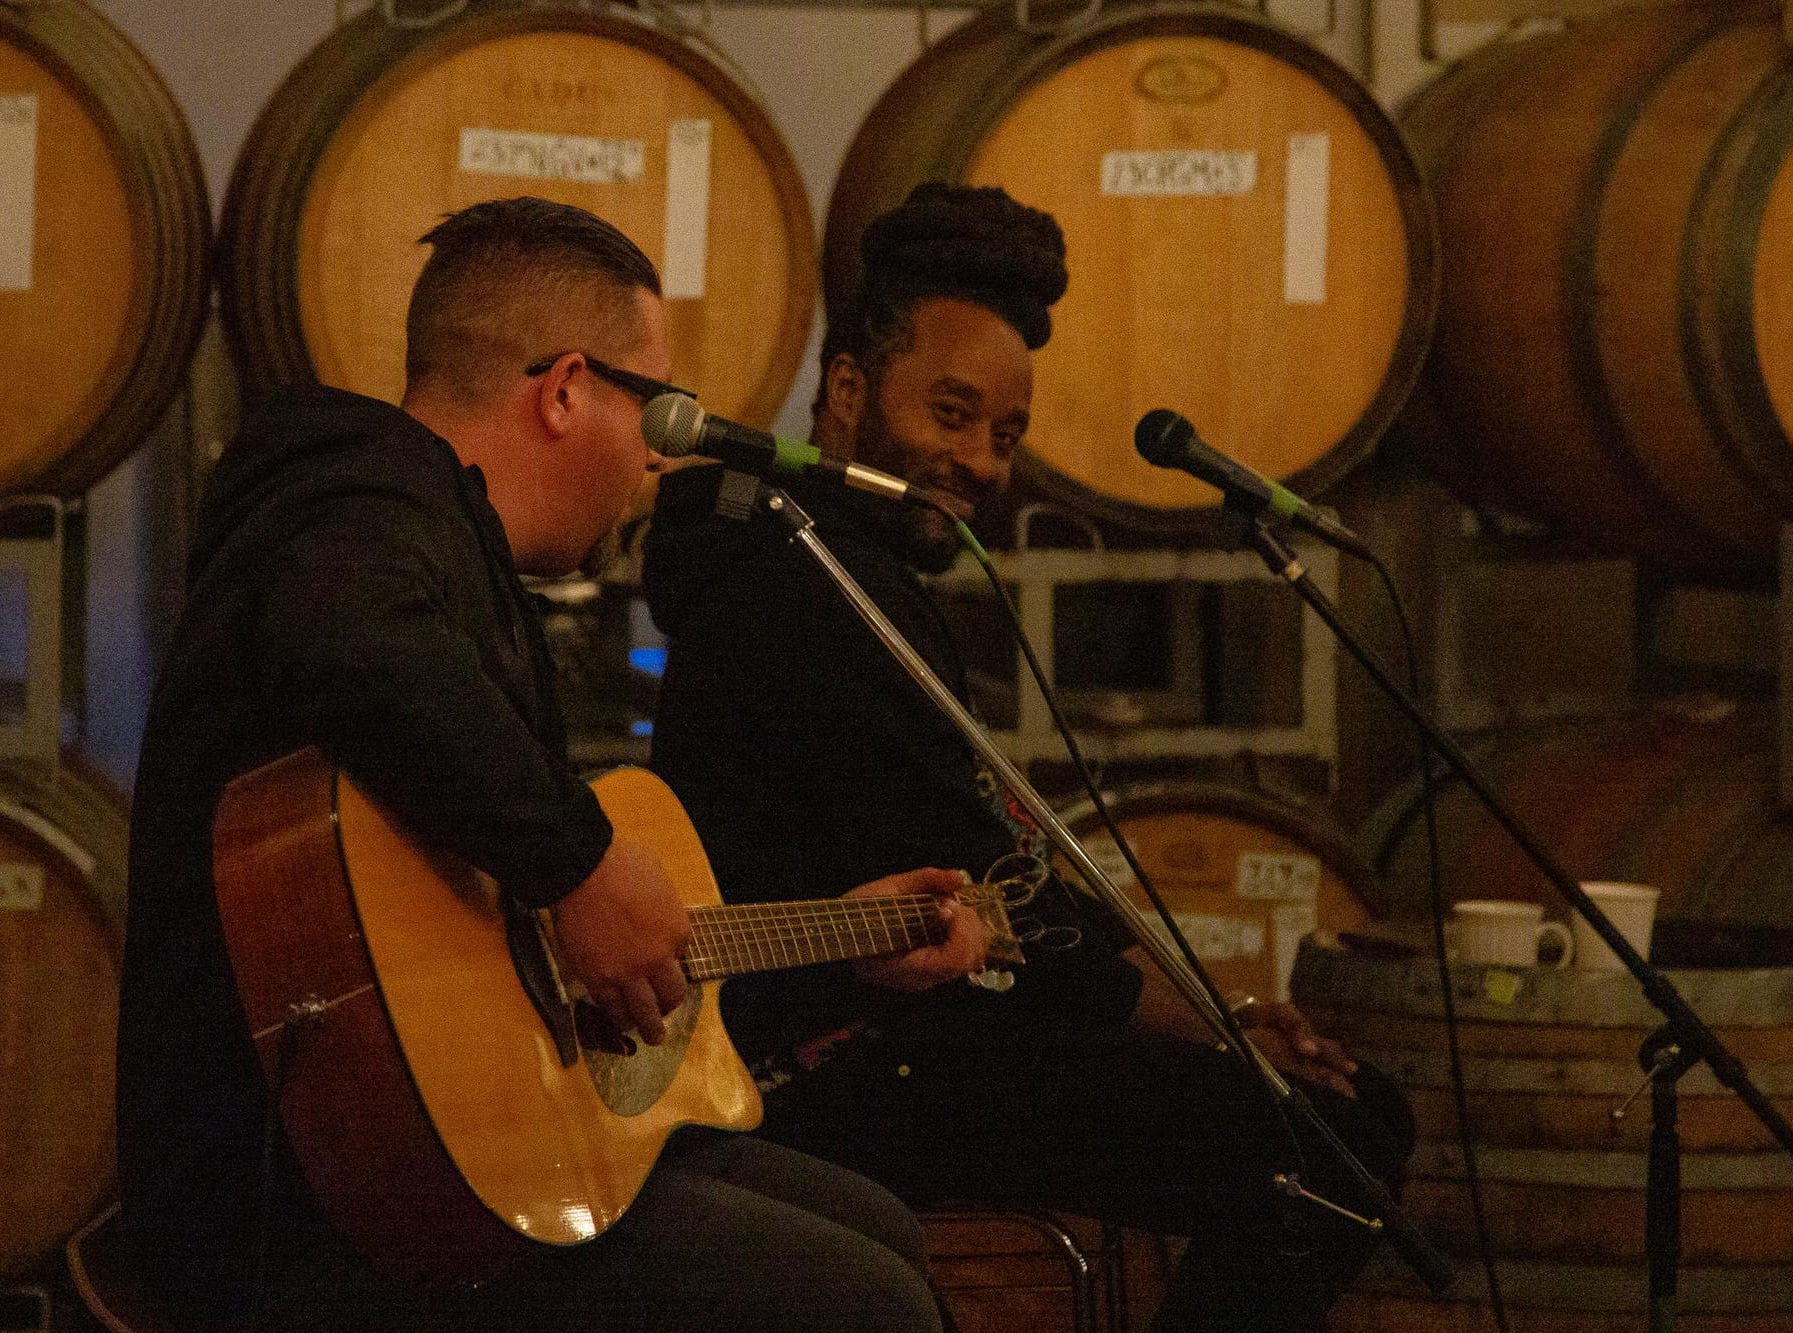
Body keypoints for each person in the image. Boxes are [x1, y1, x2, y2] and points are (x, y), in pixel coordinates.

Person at [116, 197, 966, 1333]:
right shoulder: (351, 492)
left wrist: (836, 941)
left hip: (428, 1163)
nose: (664, 452)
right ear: (563, 389)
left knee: (878, 1234)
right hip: (305, 1200)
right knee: (863, 1304)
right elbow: (351, 642)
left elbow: (503, 954)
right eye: (652, 405)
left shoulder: (448, 557)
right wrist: (580, 864)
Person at [645, 183, 1417, 1332]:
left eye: (1003, 434)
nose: (978, 460)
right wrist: (1213, 1025)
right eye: (950, 413)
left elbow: (996, 858)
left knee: (1325, 1118)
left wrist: (1220, 1013)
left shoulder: (843, 567)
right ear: (847, 393)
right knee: (1329, 1142)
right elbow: (996, 891)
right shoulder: (794, 581)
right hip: (828, 1062)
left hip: (920, 1027)